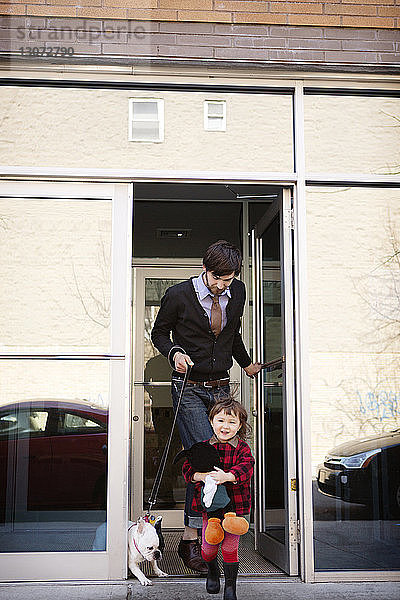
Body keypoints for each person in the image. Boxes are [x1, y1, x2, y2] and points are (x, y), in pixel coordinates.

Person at [151, 240, 261, 573]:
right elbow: (159, 333)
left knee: (227, 458)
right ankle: (191, 539)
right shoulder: (178, 295)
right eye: (217, 278)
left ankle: (212, 535)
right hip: (188, 389)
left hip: (221, 387)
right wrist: (174, 353)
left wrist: (245, 363)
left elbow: (232, 332)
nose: (222, 285)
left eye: (228, 279)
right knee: (205, 459)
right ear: (205, 268)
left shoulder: (237, 292)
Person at [182, 398, 254, 600]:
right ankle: (213, 570)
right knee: (208, 548)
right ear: (211, 421)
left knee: (230, 548)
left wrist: (228, 476)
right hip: (210, 508)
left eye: (232, 422)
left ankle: (230, 587)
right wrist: (201, 476)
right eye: (221, 420)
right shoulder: (202, 447)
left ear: (240, 425)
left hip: (236, 509)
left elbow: (247, 466)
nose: (225, 426)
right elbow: (187, 469)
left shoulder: (242, 449)